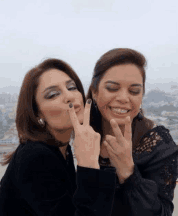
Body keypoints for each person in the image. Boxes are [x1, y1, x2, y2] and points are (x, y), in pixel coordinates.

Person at [0, 59, 117, 216]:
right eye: (53, 94)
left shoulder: (62, 147)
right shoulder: (35, 156)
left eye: (72, 87)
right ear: (37, 113)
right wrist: (88, 165)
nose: (69, 96)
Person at [86, 48, 178, 216]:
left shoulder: (158, 145)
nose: (124, 98)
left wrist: (128, 172)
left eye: (134, 91)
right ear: (94, 92)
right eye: (112, 88)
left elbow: (163, 213)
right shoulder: (85, 136)